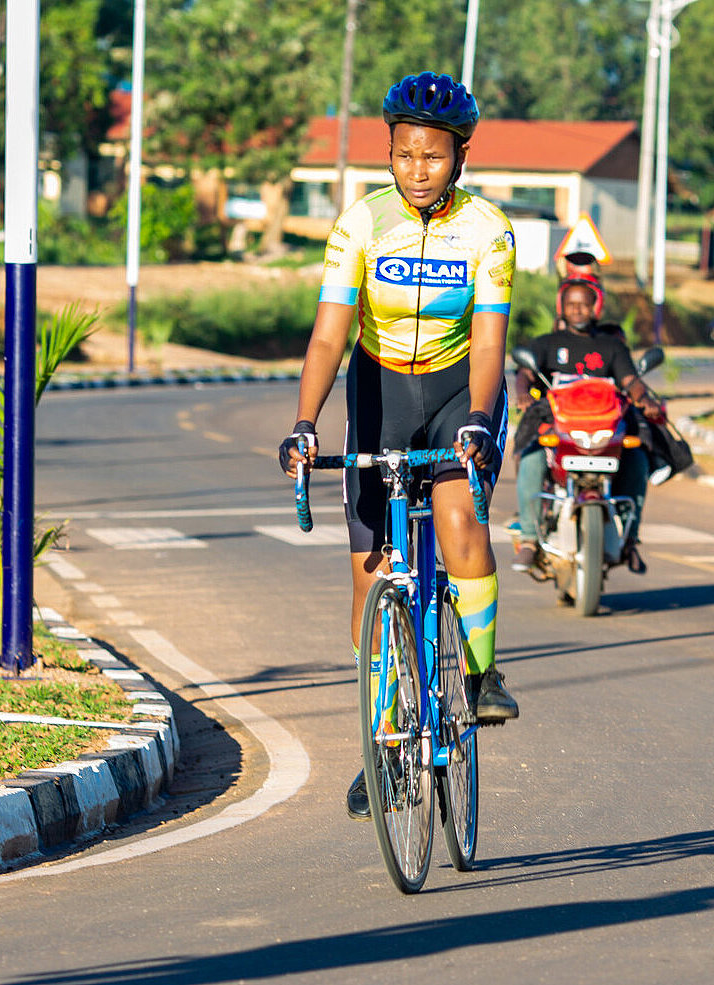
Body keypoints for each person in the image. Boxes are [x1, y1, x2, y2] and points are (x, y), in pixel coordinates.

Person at [278, 71, 519, 821]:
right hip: (379, 390)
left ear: (461, 156)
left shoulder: (489, 230)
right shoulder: (360, 224)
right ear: (389, 151)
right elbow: (328, 333)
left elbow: (488, 344)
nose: (419, 169)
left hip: (457, 392)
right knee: (370, 573)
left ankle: (478, 675)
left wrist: (479, 416)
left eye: (435, 156)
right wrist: (305, 421)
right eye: (406, 154)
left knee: (455, 527)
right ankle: (381, 742)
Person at [511, 277, 664, 575]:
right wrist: (522, 395)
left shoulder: (611, 348)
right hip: (559, 428)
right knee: (530, 457)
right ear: (562, 308)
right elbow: (525, 373)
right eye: (571, 304)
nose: (578, 309)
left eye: (584, 304)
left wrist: (645, 399)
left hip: (606, 429)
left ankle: (630, 541)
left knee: (638, 458)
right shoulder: (546, 344)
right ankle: (530, 539)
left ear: (596, 307)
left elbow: (631, 381)